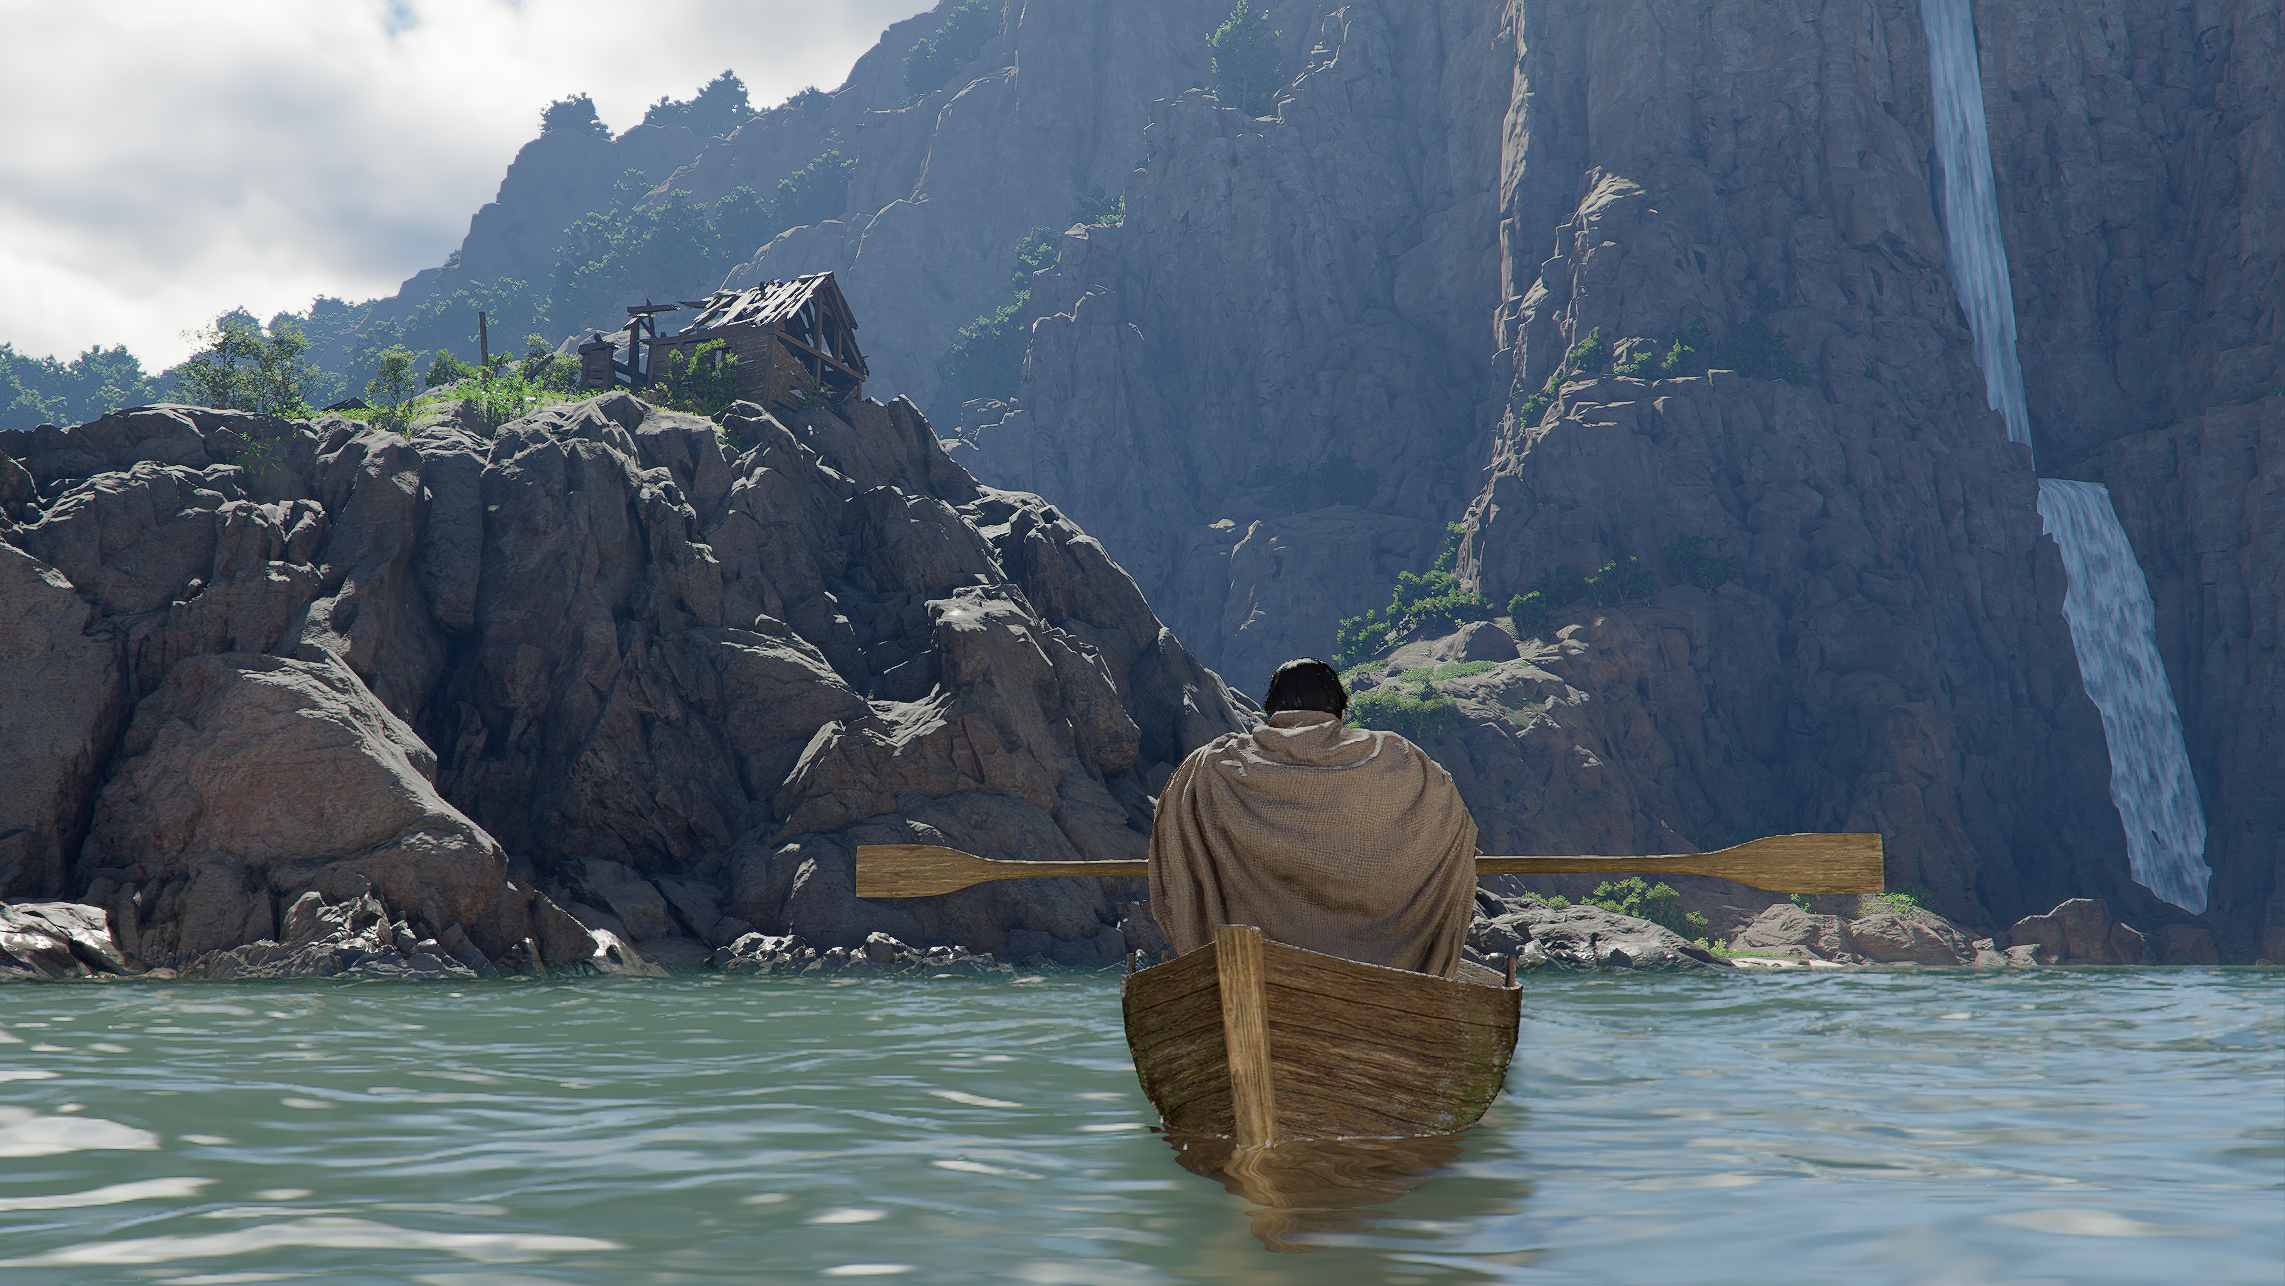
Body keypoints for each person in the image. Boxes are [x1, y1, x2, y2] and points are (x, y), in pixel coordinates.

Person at [1148, 658, 1481, 978]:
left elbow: (1175, 837)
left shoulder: (1215, 763)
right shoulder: (1395, 755)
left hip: (1252, 968)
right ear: (1336, 703)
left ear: (1272, 707)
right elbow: (1452, 820)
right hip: (1385, 969)